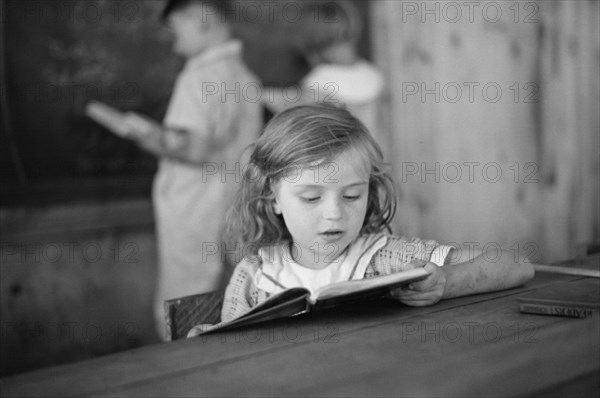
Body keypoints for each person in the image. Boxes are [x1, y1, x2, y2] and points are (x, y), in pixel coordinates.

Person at [192, 104, 534, 331]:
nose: (335, 213)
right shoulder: (254, 275)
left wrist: (445, 282)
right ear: (273, 197)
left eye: (352, 195)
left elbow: (517, 264)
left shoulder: (388, 259)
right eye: (311, 197)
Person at [121, 0, 262, 339]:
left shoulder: (199, 76)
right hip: (235, 209)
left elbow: (195, 147)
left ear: (203, 19)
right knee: (232, 307)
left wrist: (147, 137)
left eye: (176, 29)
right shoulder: (245, 77)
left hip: (194, 212)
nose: (174, 41)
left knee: (183, 310)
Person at [266, 1, 385, 146]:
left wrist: (259, 92)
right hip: (369, 155)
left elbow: (290, 106)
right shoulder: (373, 76)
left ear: (315, 46)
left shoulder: (320, 80)